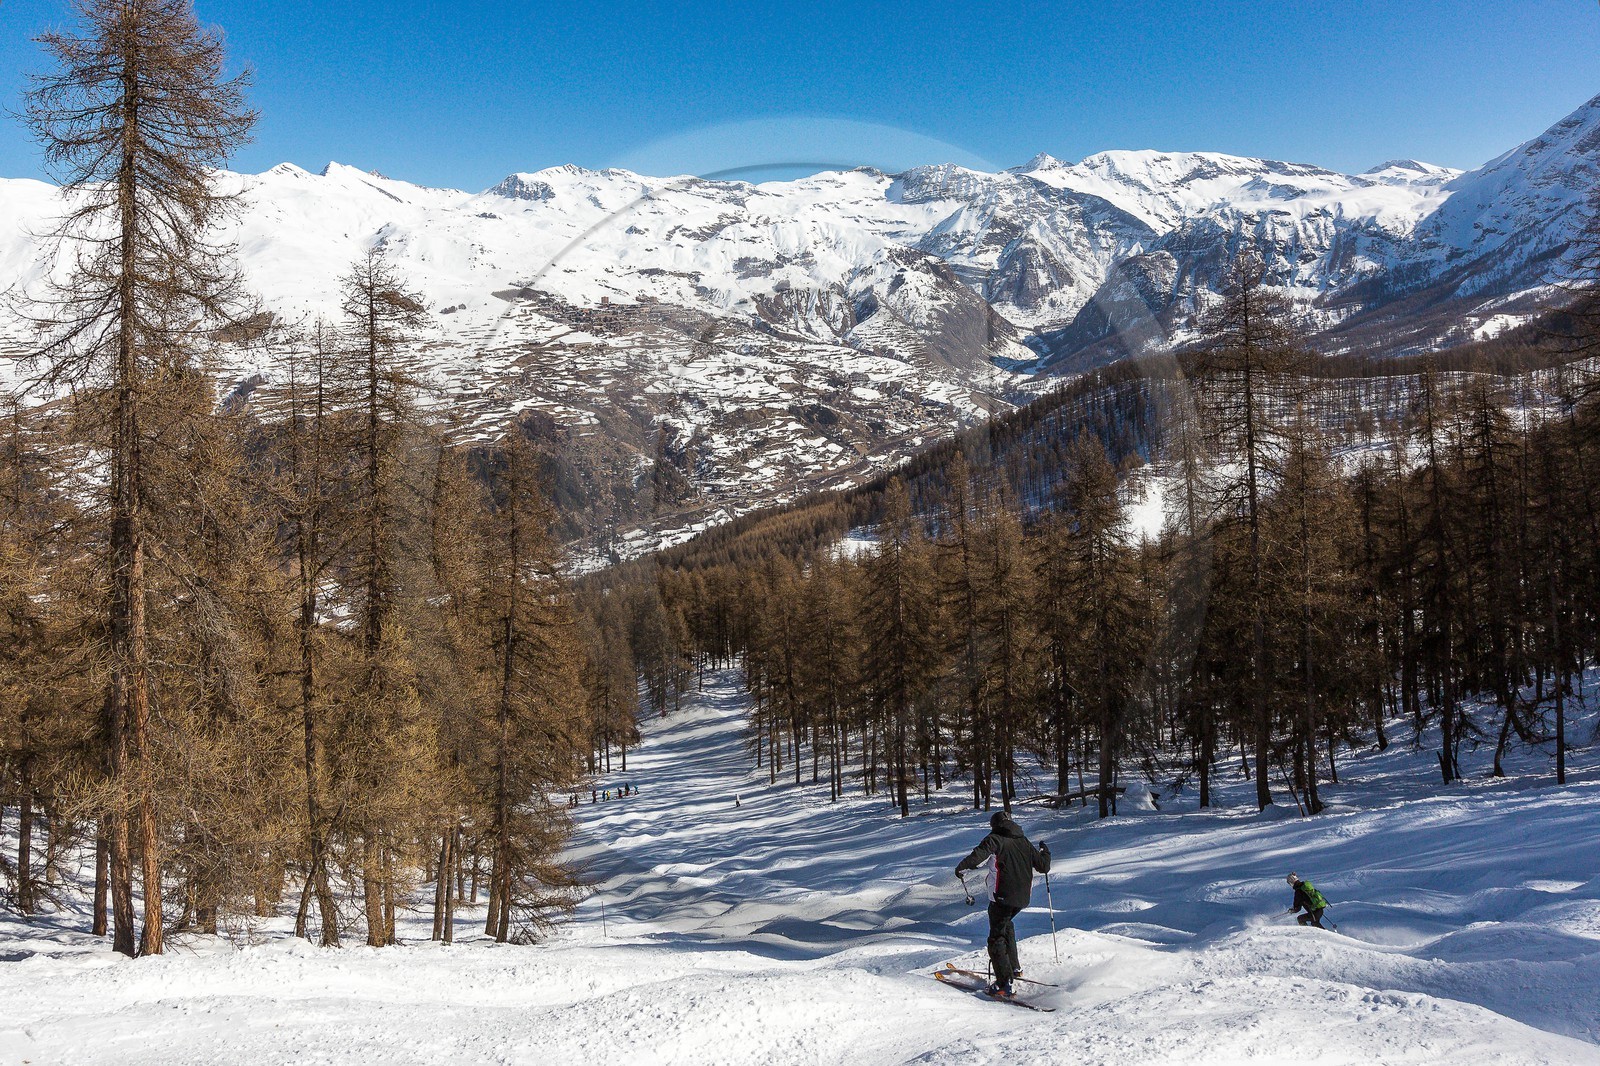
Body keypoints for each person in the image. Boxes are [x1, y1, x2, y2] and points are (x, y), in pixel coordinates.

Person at [955, 811, 1051, 999]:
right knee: (1007, 925)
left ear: (994, 825)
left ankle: (1003, 983)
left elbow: (977, 857)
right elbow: (1043, 866)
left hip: (1002, 897)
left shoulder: (995, 839)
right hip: (1022, 898)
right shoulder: (1023, 840)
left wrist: (960, 869)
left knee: (996, 938)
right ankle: (1014, 968)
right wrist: (1045, 852)